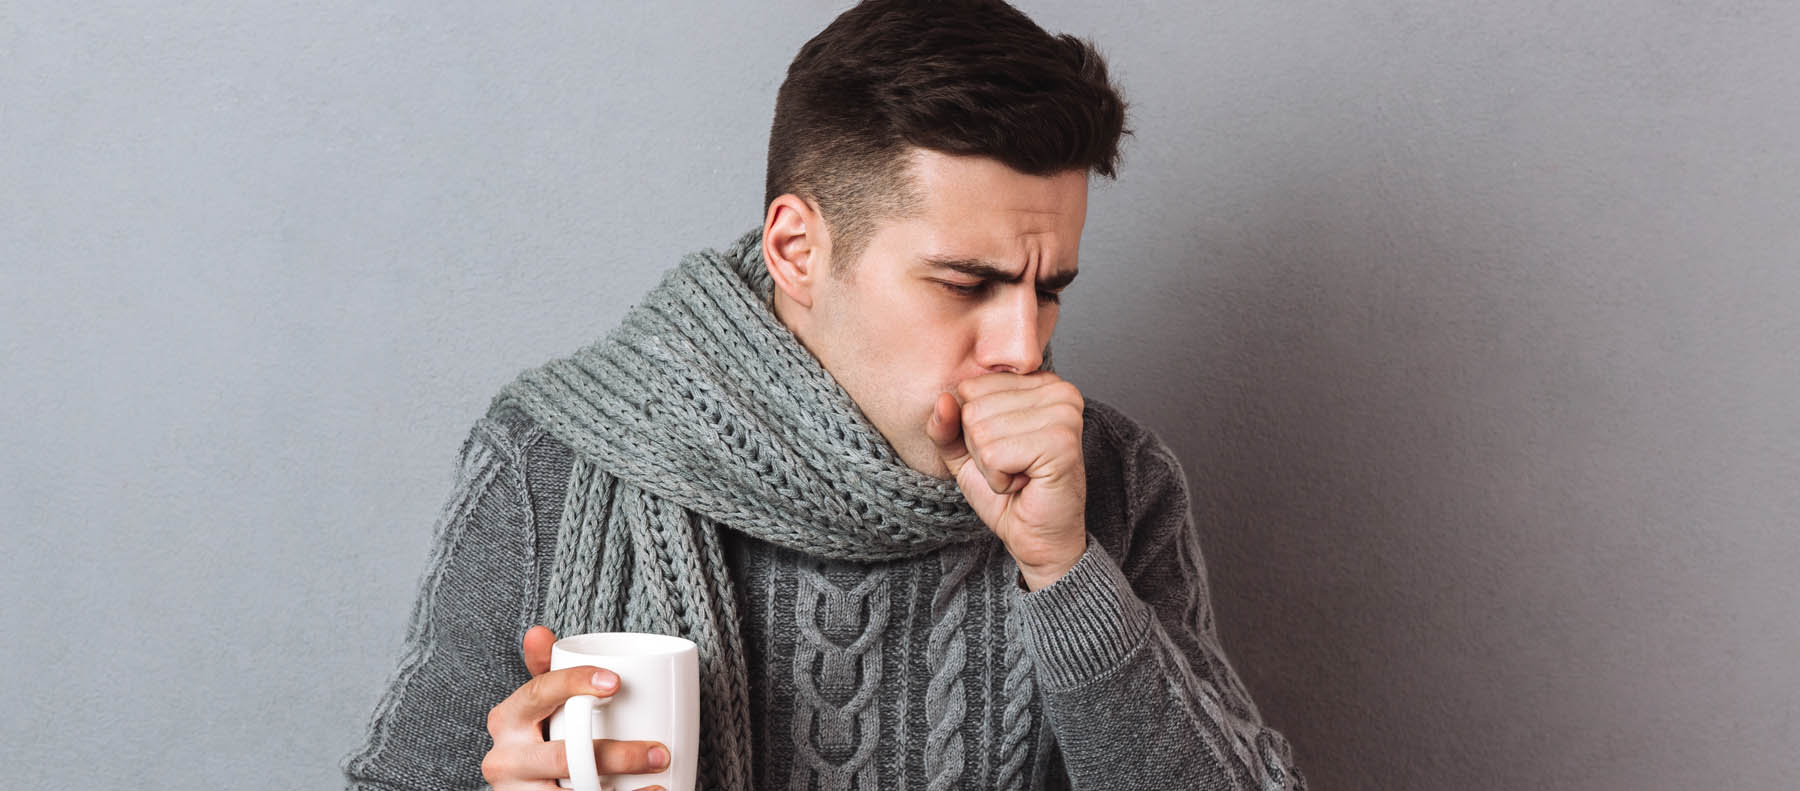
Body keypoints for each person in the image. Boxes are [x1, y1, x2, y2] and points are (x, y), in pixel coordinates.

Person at [341, 1, 1307, 789]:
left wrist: (1064, 571)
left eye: (1048, 290)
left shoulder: (1115, 483)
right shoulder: (554, 457)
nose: (1025, 347)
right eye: (967, 283)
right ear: (798, 249)